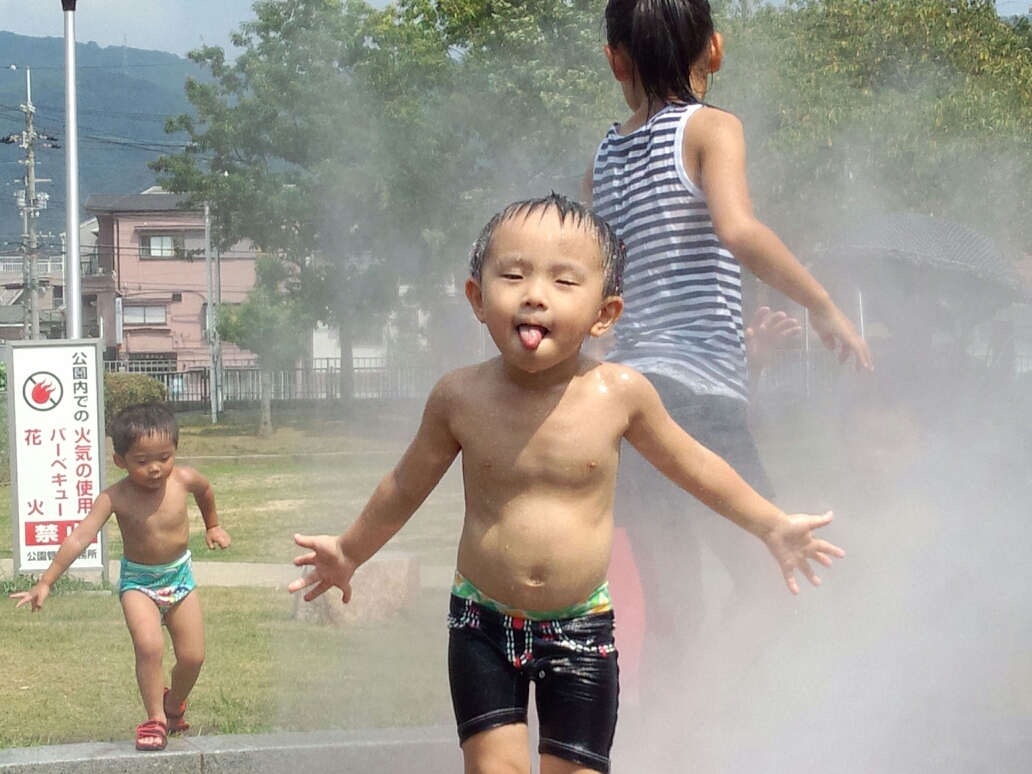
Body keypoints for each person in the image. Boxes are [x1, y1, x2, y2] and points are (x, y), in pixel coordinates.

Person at [289, 193, 844, 774]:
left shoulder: (620, 395)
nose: (535, 294)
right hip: (482, 623)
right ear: (477, 297)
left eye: (563, 280)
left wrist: (770, 523)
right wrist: (349, 550)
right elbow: (404, 485)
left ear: (605, 313)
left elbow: (697, 467)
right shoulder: (459, 398)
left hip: (581, 626)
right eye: (513, 275)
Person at [583, 0, 871, 757]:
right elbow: (737, 230)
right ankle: (682, 737)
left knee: (676, 609)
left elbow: (610, 286)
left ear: (615, 60)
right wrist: (823, 305)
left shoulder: (604, 159)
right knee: (772, 583)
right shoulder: (711, 128)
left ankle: (659, 753)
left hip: (629, 408)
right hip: (693, 407)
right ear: (715, 48)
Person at [11, 402, 231, 752]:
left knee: (193, 657)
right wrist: (46, 581)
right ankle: (155, 718)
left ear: (175, 450)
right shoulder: (114, 497)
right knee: (149, 647)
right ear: (120, 461)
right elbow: (79, 537)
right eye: (142, 461)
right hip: (138, 584)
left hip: (179, 578)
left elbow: (204, 491)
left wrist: (213, 525)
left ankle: (173, 705)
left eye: (164, 457)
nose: (155, 468)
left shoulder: (184, 479)